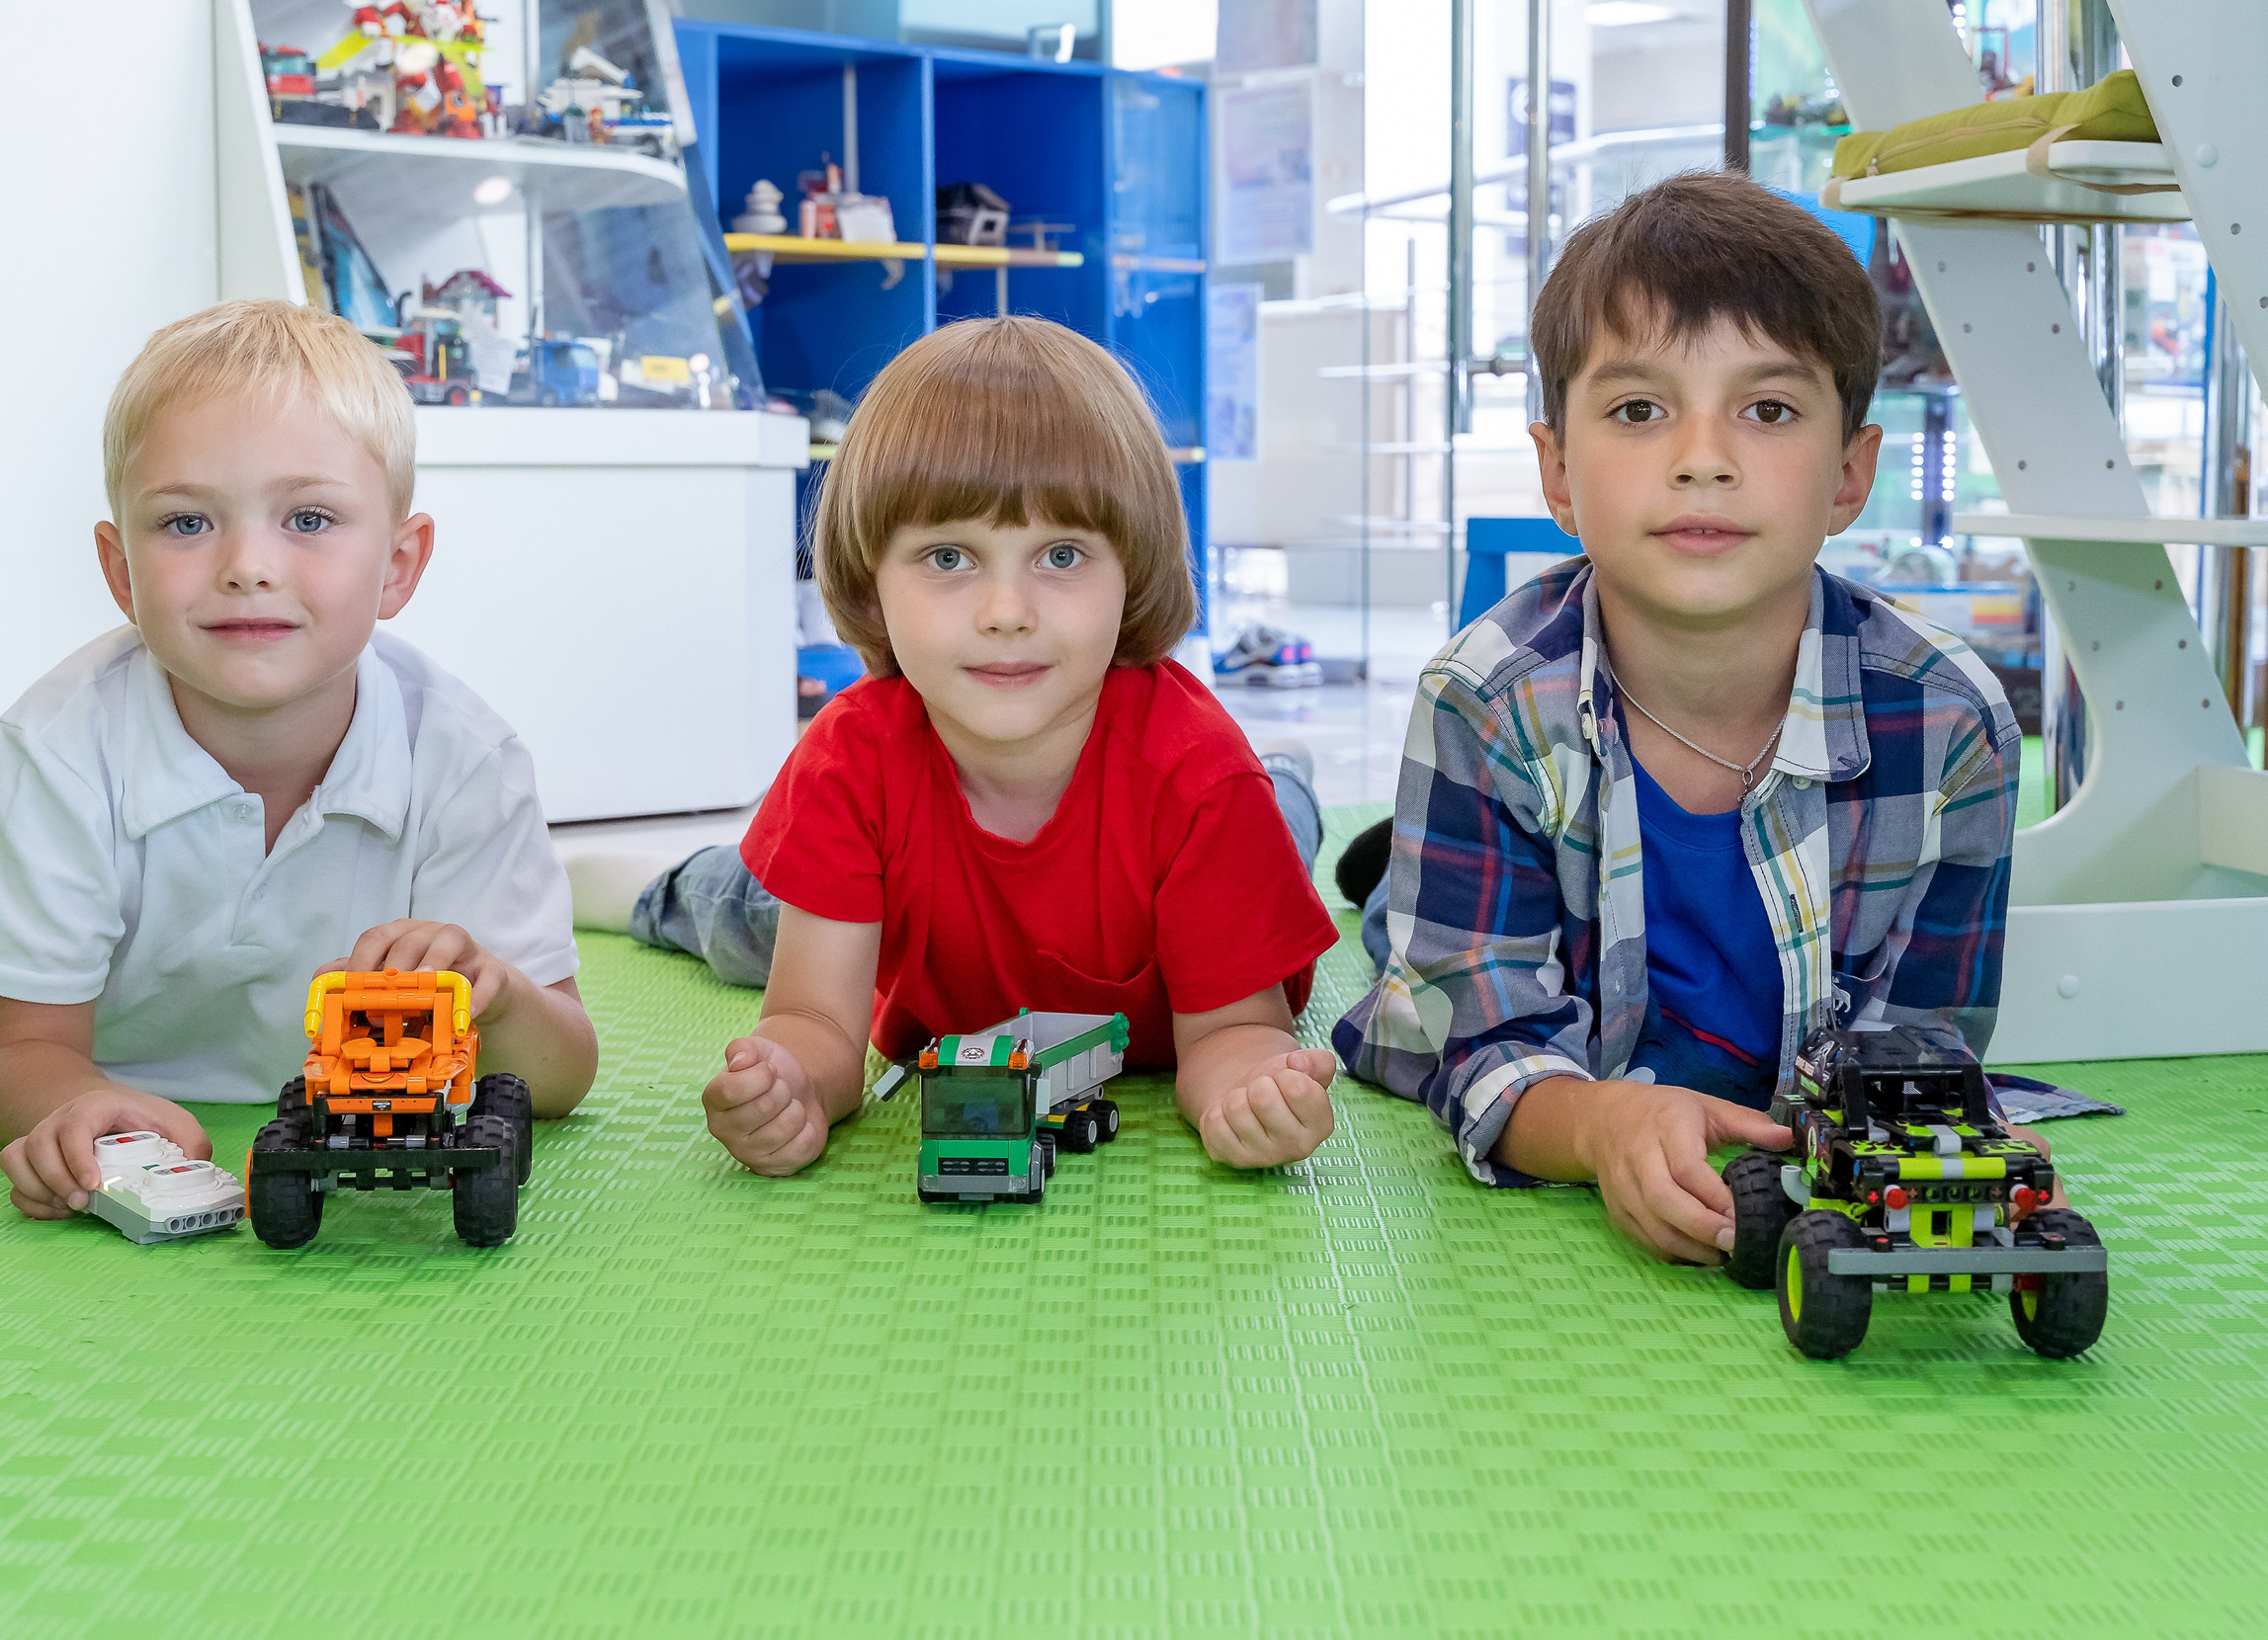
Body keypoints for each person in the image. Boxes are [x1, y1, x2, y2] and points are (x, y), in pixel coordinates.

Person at [1332, 172, 2021, 1264]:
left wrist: (1945, 1156)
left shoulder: (1949, 727)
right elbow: (1480, 1042)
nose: (1702, 457)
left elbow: (1923, 1045)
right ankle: (1404, 880)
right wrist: (1601, 1127)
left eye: (1768, 409)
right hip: (1543, 959)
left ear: (1848, 476)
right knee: (1406, 989)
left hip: (1770, 1069)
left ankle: (1416, 867)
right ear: (1558, 472)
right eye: (1639, 410)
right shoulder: (1484, 698)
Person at [608, 315, 1343, 1175]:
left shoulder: (1205, 782)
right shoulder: (851, 759)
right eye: (949, 555)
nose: (1005, 609)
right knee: (738, 915)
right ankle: (647, 884)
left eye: (1061, 554)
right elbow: (817, 1027)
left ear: (1133, 572)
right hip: (903, 920)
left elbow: (1230, 1032)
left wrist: (1249, 1089)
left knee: (1276, 813)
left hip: (1221, 818)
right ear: (868, 578)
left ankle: (1290, 773)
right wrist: (790, 1081)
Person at [0, 298, 599, 1220]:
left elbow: (562, 1075)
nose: (248, 564)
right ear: (120, 573)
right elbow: (19, 1051)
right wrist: (73, 1105)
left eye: (309, 518)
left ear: (399, 564)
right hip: (21, 978)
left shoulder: (466, 759)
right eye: (187, 524)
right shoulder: (53, 755)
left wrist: (502, 995)